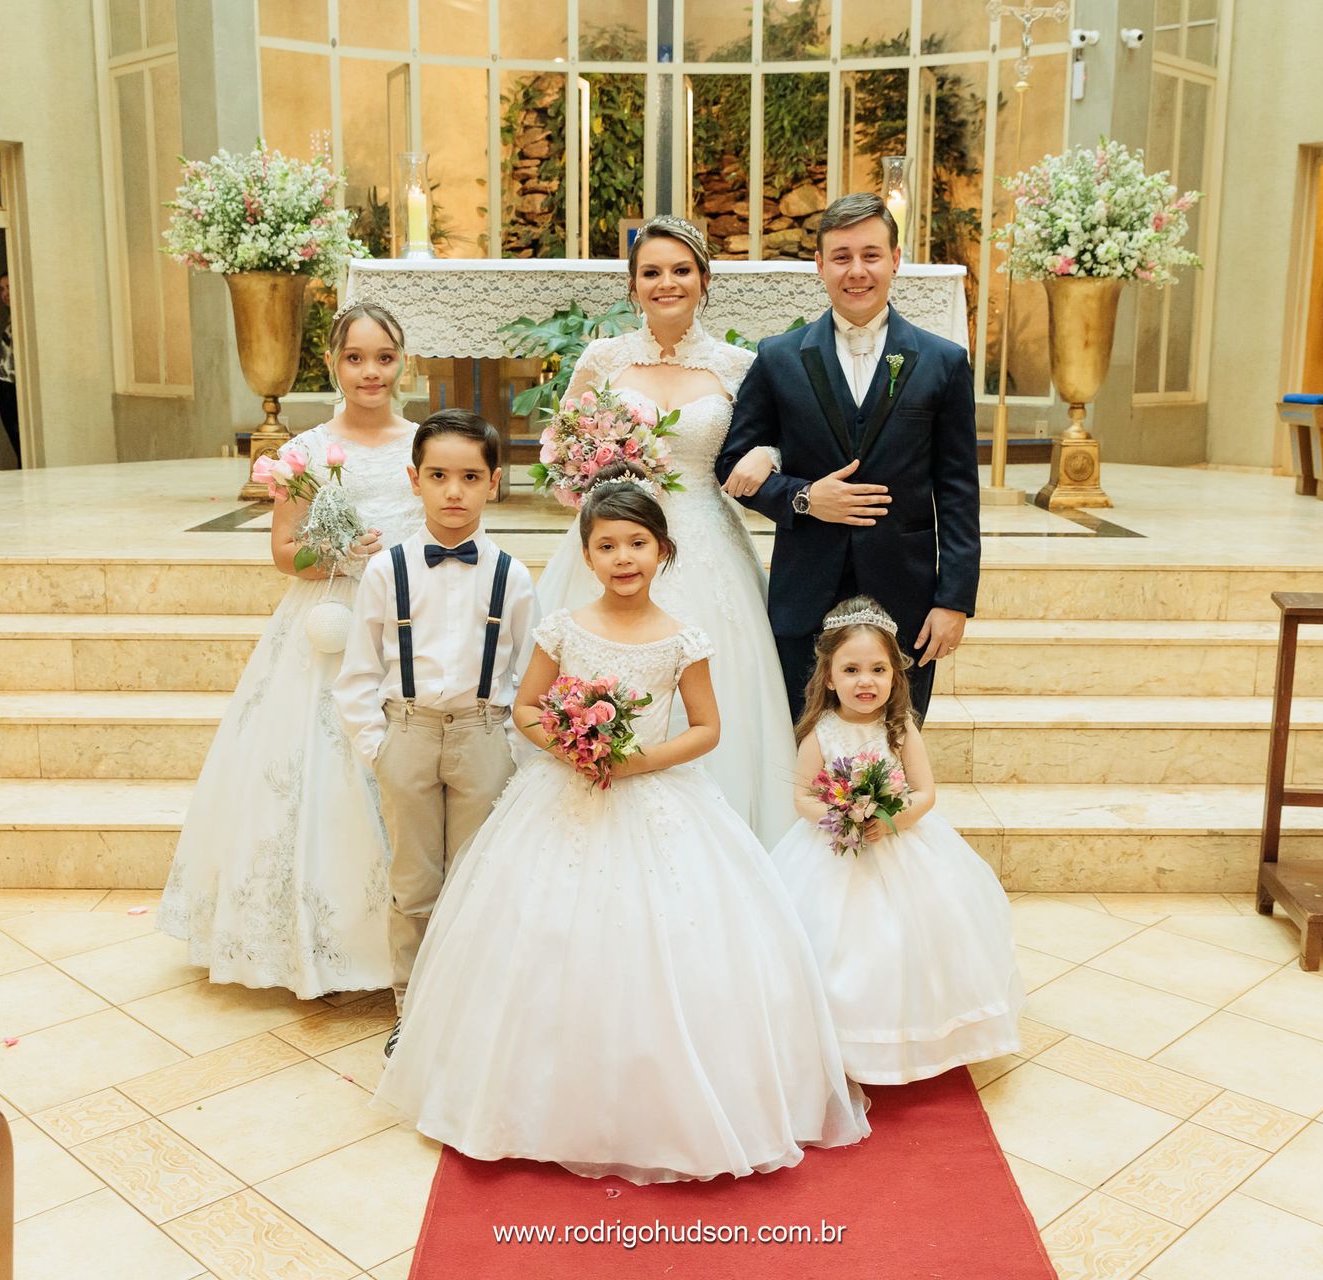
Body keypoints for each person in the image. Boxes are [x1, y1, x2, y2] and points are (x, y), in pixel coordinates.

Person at [374, 464, 869, 1184]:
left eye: (637, 543)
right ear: (587, 556)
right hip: (564, 793)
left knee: (669, 938)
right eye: (607, 546)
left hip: (658, 794)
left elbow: (706, 729)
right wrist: (571, 746)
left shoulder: (682, 638)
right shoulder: (562, 629)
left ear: (663, 551)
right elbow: (528, 710)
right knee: (543, 935)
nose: (623, 558)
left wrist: (639, 761)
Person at [159, 304, 421, 998]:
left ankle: (413, 940)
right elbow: (283, 549)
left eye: (384, 357)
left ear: (402, 362)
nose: (371, 372)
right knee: (316, 777)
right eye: (356, 357)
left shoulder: (425, 446)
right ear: (333, 363)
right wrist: (337, 552)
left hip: (410, 622)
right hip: (327, 622)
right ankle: (320, 946)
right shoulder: (305, 451)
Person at [534, 214, 795, 846]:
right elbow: (557, 449)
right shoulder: (604, 359)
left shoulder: (740, 365)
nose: (666, 282)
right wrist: (587, 470)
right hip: (614, 537)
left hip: (705, 537)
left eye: (681, 270)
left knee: (717, 681)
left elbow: (779, 443)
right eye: (651, 272)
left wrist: (773, 456)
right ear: (633, 286)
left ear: (705, 279)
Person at [715, 192, 982, 722]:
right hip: (805, 589)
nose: (856, 271)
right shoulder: (778, 357)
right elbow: (731, 463)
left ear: (895, 259)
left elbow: (957, 491)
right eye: (841, 257)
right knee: (804, 745)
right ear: (819, 265)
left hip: (906, 594)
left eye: (871, 255)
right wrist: (804, 498)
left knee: (894, 747)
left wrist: (954, 600)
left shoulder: (943, 362)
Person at [334, 409, 537, 1056]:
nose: (454, 491)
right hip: (409, 732)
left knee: (478, 881)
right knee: (414, 884)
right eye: (439, 475)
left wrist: (512, 749)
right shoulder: (386, 572)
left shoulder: (514, 575)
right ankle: (413, 1010)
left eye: (470, 477)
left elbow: (530, 674)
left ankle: (474, 1011)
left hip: (484, 736)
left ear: (494, 483)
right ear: (413, 479)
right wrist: (381, 746)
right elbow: (359, 670)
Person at [771, 598, 1024, 1084]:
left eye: (878, 669)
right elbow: (803, 796)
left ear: (895, 676)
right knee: (836, 940)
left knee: (918, 936)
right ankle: (838, 1040)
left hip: (901, 841)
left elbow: (925, 791)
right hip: (834, 847)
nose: (865, 681)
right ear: (828, 678)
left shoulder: (900, 727)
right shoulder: (819, 732)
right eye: (851, 669)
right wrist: (839, 815)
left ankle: (919, 1032)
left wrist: (892, 820)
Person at [0, 272, 19, 466]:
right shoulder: (10, 319)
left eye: (9, 287)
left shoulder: (24, 318)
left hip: (18, 385)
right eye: (2, 289)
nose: (5, 293)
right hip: (5, 385)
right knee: (15, 437)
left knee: (22, 439)